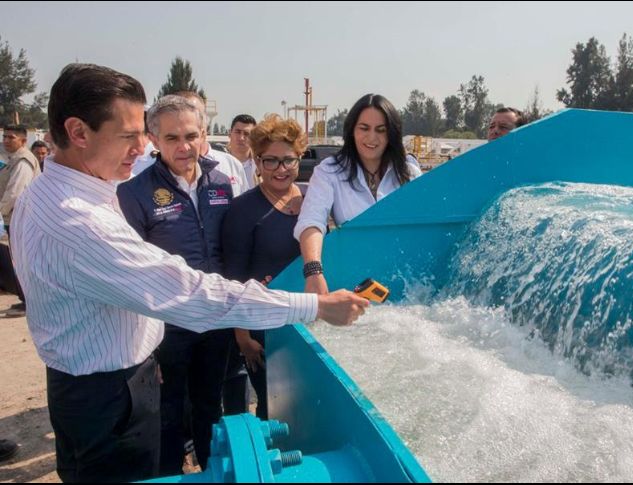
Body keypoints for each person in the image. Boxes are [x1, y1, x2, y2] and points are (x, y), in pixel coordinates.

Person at [10, 63, 368, 483]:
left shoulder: (49, 193)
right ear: (78, 132)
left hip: (92, 381)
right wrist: (315, 307)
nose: (141, 146)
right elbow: (190, 292)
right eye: (129, 135)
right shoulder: (80, 220)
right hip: (111, 396)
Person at [116, 95, 234, 475]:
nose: (184, 146)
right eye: (172, 138)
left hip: (215, 320)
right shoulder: (134, 193)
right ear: (153, 139)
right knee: (167, 411)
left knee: (209, 405)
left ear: (203, 135)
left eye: (191, 136)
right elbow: (131, 271)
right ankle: (170, 473)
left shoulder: (221, 184)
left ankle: (212, 471)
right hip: (168, 327)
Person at [221, 114, 306, 419]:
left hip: (306, 319)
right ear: (257, 162)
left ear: (299, 159)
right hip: (263, 328)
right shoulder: (242, 209)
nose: (281, 169)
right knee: (274, 408)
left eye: (288, 160)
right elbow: (233, 276)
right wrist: (243, 337)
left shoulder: (313, 201)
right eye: (271, 161)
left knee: (305, 405)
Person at [295, 93, 421, 294]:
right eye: (364, 128)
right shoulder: (329, 171)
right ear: (352, 130)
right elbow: (311, 221)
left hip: (405, 281)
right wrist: (314, 272)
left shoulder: (410, 173)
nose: (372, 137)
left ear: (392, 134)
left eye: (381, 130)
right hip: (353, 281)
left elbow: (423, 226)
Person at [0, 125, 41, 317]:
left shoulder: (23, 161)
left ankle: (30, 301)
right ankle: (25, 299)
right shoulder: (11, 159)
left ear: (23, 141)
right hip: (14, 217)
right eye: (5, 136)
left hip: (22, 217)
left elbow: (15, 192)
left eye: (11, 137)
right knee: (19, 259)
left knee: (24, 260)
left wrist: (0, 211)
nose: (6, 140)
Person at [227, 114, 259, 189]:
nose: (241, 138)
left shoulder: (260, 168)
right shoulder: (220, 165)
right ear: (230, 133)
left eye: (246, 134)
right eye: (238, 132)